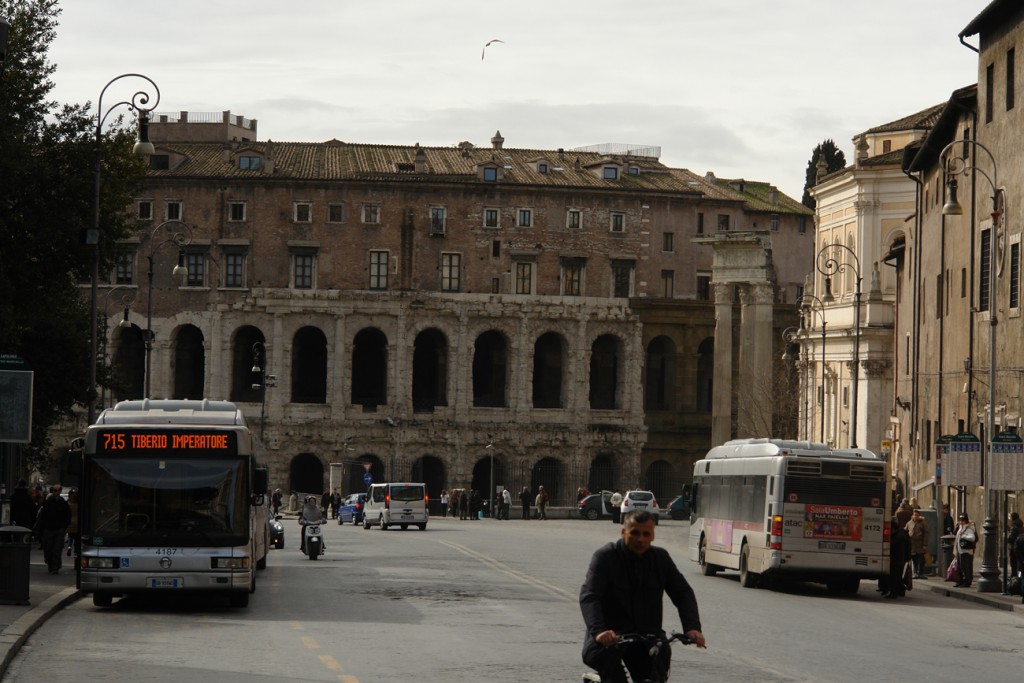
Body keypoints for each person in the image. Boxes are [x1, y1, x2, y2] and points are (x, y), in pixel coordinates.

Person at [580, 510, 706, 682]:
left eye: (646, 534)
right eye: (635, 533)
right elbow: (590, 595)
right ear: (623, 532)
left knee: (656, 672)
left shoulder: (660, 559)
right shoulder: (605, 557)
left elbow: (682, 593)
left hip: (647, 639)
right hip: (611, 640)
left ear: (653, 536)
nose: (641, 539)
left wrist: (692, 627)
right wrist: (599, 631)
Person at [36, 486, 71, 574]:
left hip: (58, 529)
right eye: (53, 490)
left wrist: (63, 527)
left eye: (56, 490)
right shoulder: (48, 502)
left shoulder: (63, 503)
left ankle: (55, 567)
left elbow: (67, 516)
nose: (54, 492)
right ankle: (51, 564)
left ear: (59, 491)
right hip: (49, 529)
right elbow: (43, 516)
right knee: (48, 549)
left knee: (57, 549)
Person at [882, 516, 911, 598]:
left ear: (893, 528)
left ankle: (894, 593)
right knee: (897, 577)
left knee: (895, 578)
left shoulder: (898, 536)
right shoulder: (902, 533)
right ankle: (899, 591)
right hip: (900, 560)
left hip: (897, 560)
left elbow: (892, 546)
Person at [954, 513, 978, 588]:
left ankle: (967, 582)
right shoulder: (961, 527)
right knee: (960, 567)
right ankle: (960, 581)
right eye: (960, 520)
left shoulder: (969, 528)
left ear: (965, 521)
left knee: (966, 567)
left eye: (962, 520)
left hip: (966, 551)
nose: (960, 521)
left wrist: (963, 536)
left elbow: (972, 538)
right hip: (960, 550)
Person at [906, 508, 930, 579]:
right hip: (912, 545)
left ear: (919, 516)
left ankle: (920, 573)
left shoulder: (923, 523)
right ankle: (916, 572)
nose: (915, 516)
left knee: (921, 559)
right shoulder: (909, 523)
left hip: (920, 544)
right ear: (912, 516)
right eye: (914, 515)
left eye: (917, 515)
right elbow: (906, 531)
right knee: (914, 559)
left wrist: (925, 544)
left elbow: (927, 533)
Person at [1007, 512, 1023, 578]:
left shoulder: (1014, 527)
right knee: (1019, 564)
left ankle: (1014, 577)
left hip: (1014, 548)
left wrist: (1007, 535)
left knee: (1013, 564)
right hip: (1020, 548)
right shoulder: (1021, 526)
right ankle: (1019, 577)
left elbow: (1010, 538)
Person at [65, 488, 79, 558]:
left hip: (70, 521)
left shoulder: (68, 503)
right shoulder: (78, 504)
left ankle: (69, 547)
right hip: (78, 522)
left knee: (70, 536)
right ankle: (76, 552)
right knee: (76, 538)